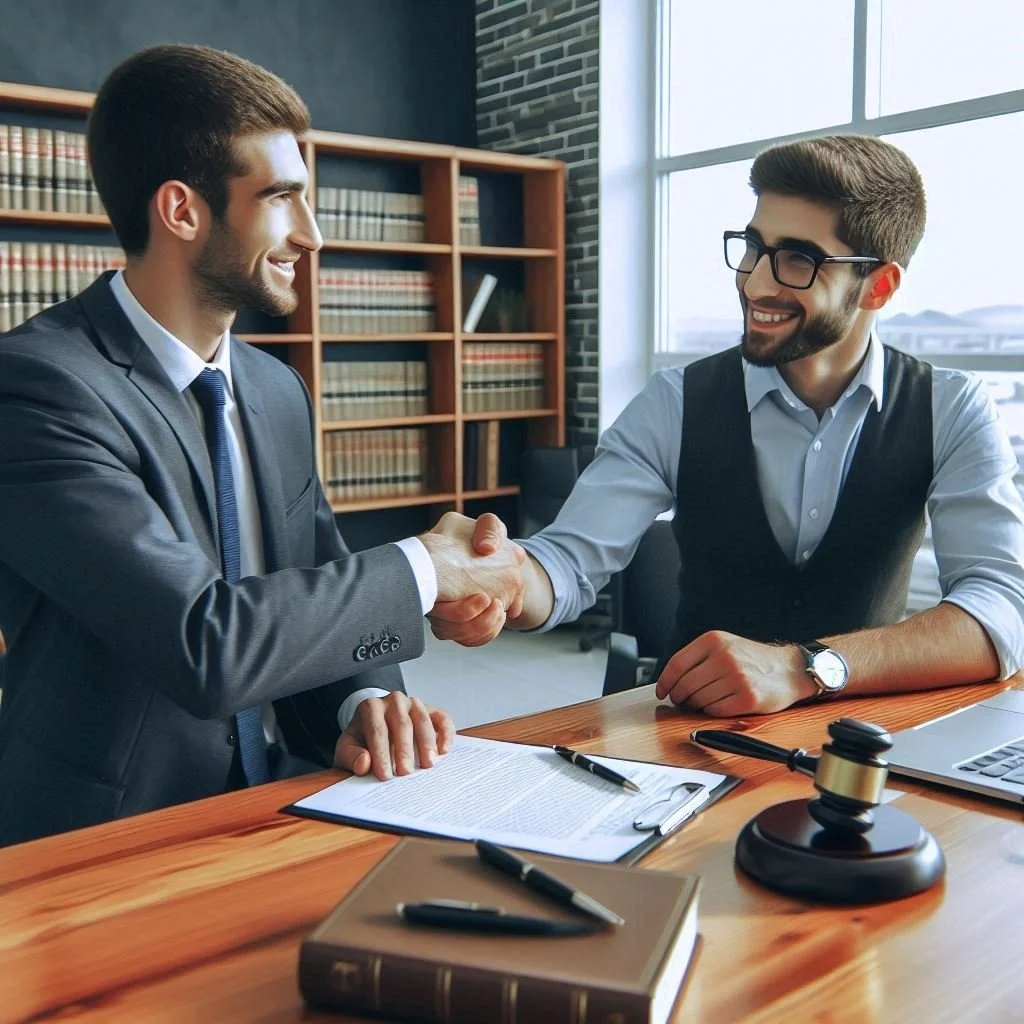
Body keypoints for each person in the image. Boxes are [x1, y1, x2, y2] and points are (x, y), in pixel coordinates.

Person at [0, 45, 524, 847]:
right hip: (98, 839)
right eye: (282, 198)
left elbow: (314, 580)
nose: (310, 235)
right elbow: (205, 641)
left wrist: (362, 703)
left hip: (278, 795)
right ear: (182, 211)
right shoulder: (38, 388)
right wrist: (431, 565)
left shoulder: (277, 391)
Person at [434, 134, 1024, 717]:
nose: (755, 282)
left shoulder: (951, 408)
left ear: (879, 286)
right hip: (694, 741)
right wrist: (505, 577)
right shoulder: (675, 402)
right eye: (752, 246)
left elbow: (1001, 610)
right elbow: (567, 562)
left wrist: (806, 667)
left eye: (799, 259)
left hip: (866, 736)